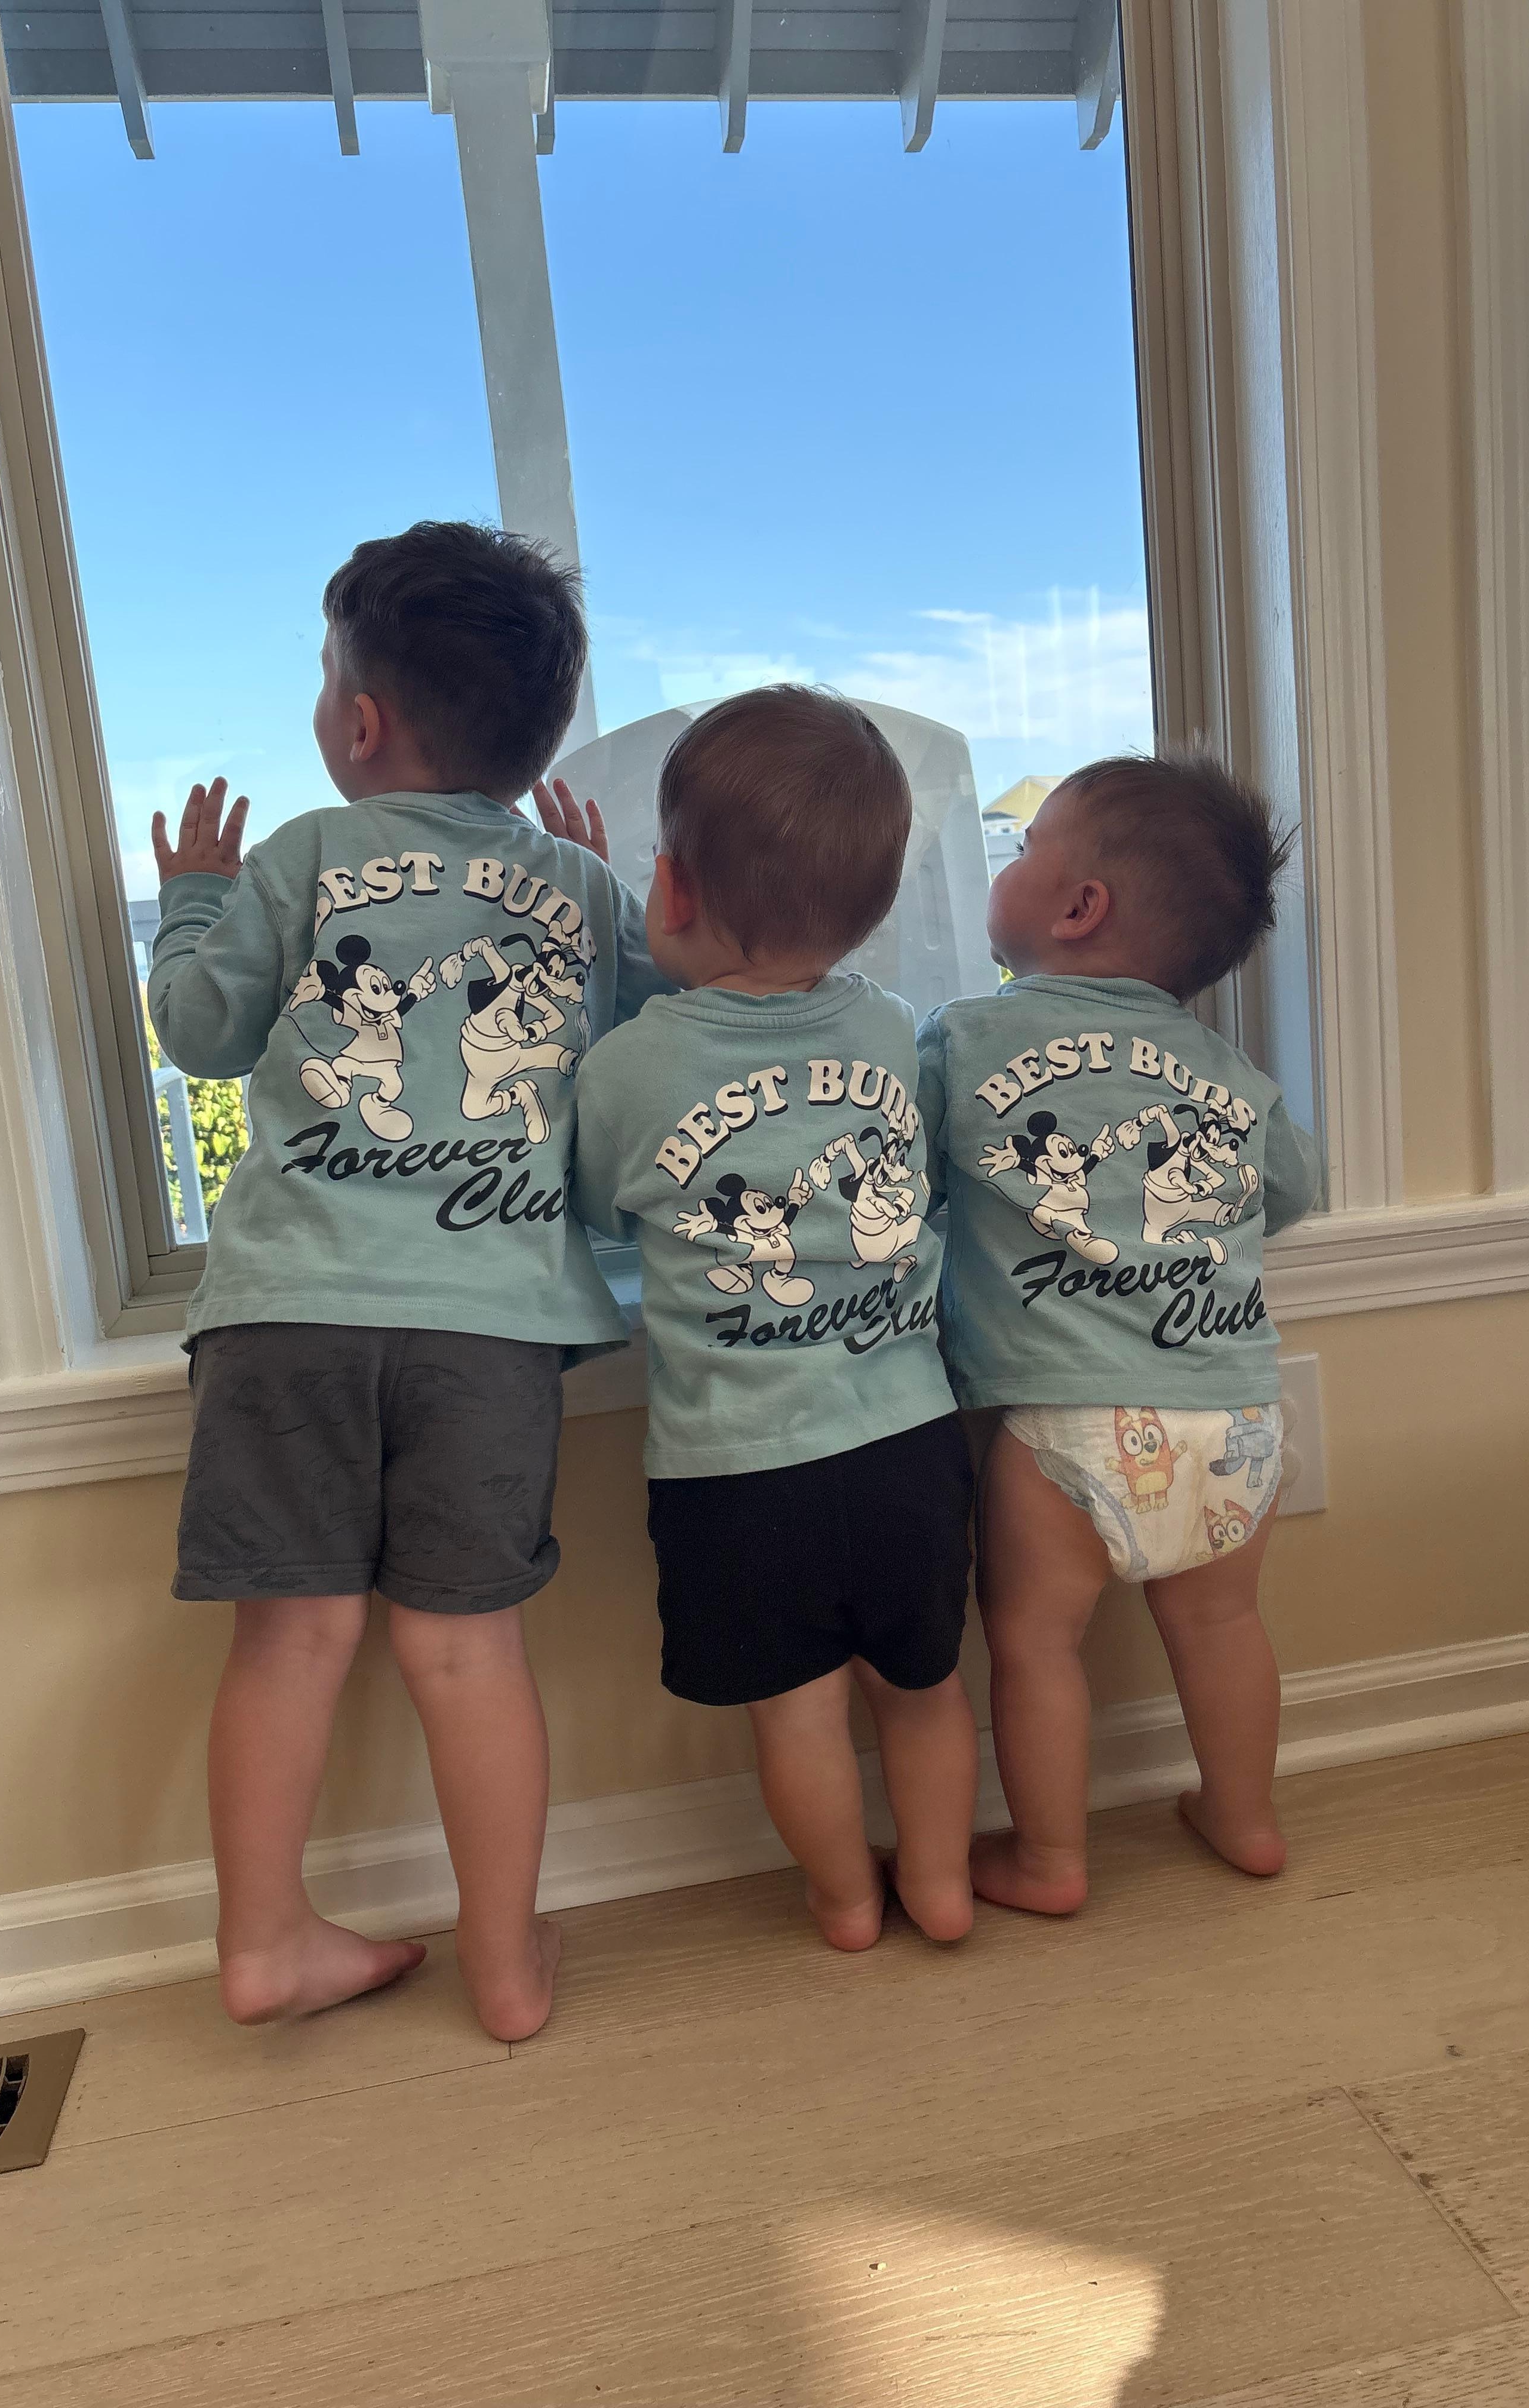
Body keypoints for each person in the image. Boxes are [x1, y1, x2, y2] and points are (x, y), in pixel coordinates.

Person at [148, 521, 664, 2038]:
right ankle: (505, 1971)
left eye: (328, 677)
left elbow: (200, 1032)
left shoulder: (303, 855)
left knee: (291, 1638)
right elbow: (641, 1037)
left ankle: (263, 1945)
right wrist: (598, 886)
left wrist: (192, 895)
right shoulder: (576, 885)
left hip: (286, 1314)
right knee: (467, 1646)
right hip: (489, 1327)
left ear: (358, 722)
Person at [571, 687, 979, 1952]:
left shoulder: (628, 1068)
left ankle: (847, 1902)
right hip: (913, 1443)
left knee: (797, 1716)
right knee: (924, 1695)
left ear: (672, 892)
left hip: (735, 1473)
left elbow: (592, 1204)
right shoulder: (895, 1030)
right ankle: (948, 1891)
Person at [917, 751, 1322, 1914]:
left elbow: (904, 1176)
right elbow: (1287, 1193)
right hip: (1235, 1408)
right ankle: (1244, 1818)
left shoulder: (965, 1038)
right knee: (1225, 1622)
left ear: (1076, 906)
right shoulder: (1233, 1073)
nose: (1010, 861)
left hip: (1068, 1416)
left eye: (1028, 844)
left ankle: (1049, 1861)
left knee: (1037, 1643)